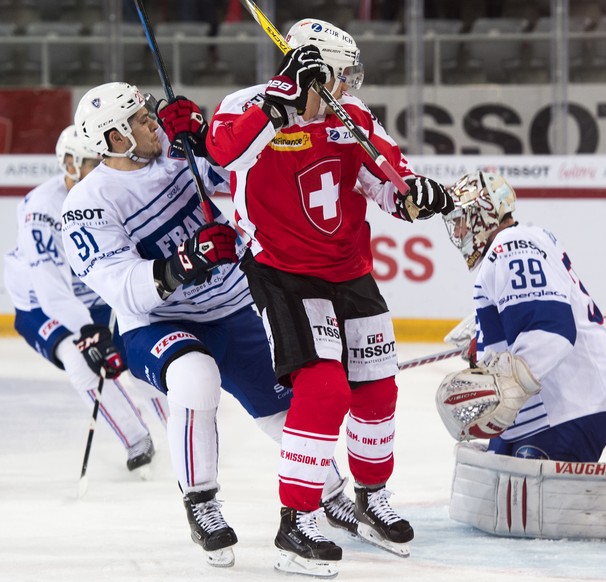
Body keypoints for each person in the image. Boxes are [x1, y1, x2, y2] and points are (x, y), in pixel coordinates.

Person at [183, 17, 454, 576]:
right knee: (325, 391)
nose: (351, 85)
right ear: (313, 70)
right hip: (283, 272)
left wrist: (415, 196)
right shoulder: (250, 104)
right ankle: (297, 520)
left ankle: (371, 496)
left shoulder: (351, 118)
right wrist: (279, 101)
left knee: (378, 390)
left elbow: (387, 178)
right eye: (342, 74)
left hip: (349, 271)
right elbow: (223, 153)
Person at [61, 81, 355, 569]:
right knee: (195, 377)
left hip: (233, 308)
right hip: (157, 324)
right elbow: (121, 288)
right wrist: (183, 263)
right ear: (115, 139)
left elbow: (246, 170)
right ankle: (201, 502)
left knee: (282, 410)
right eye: (139, 120)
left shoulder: (179, 156)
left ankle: (329, 490)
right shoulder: (88, 206)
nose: (152, 122)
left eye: (149, 113)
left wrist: (204, 134)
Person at [434, 170, 606, 544]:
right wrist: (486, 344)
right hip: (561, 398)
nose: (457, 233)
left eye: (462, 220)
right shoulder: (513, 247)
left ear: (486, 213)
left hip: (573, 401)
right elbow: (531, 323)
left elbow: (552, 331)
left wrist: (505, 380)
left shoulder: (512, 243)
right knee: (491, 480)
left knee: (529, 499)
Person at [3, 125, 164, 474]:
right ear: (71, 164)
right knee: (82, 363)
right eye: (92, 162)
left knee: (139, 355)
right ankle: (136, 438)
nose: (100, 168)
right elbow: (51, 291)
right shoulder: (41, 210)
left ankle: (180, 431)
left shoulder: (110, 189)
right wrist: (90, 331)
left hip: (95, 292)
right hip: (38, 303)